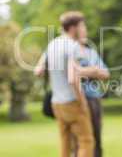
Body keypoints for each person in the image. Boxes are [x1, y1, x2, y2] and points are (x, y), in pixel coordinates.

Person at [34, 11, 95, 157]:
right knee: (86, 141)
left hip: (57, 103)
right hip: (72, 101)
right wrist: (82, 100)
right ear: (73, 28)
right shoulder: (72, 46)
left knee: (65, 143)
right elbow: (73, 79)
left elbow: (39, 70)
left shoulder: (52, 44)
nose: (83, 29)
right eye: (82, 26)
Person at [72, 18, 110, 157]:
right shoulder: (67, 51)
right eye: (82, 28)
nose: (85, 31)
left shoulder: (91, 52)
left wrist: (86, 71)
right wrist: (92, 71)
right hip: (75, 100)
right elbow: (70, 72)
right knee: (78, 141)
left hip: (93, 99)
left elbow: (106, 73)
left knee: (96, 137)